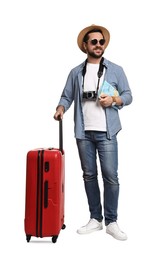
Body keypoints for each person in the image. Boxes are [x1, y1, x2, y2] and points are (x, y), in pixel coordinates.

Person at [54, 24, 132, 241]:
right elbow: (66, 97)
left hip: (107, 133)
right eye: (94, 42)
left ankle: (112, 221)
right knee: (89, 176)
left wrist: (114, 100)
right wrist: (60, 108)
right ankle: (95, 219)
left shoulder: (116, 70)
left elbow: (128, 95)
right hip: (83, 133)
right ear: (85, 45)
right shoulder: (75, 72)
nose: (99, 45)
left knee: (111, 177)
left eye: (101, 42)